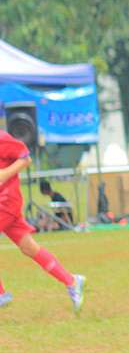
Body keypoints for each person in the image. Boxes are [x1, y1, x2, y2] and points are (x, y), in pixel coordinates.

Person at [0, 130, 84, 311]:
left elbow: (25, 158)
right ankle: (72, 281)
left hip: (6, 202)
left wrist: (4, 174)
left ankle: (1, 296)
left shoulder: (2, 138)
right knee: (29, 248)